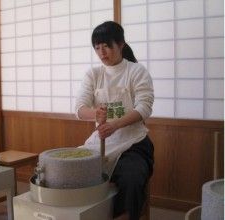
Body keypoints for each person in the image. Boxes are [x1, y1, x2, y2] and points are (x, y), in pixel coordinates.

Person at [75, 21, 154, 220]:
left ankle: (125, 216)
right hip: (101, 141)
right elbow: (79, 108)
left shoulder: (136, 71)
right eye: (97, 47)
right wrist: (95, 114)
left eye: (107, 46)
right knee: (75, 170)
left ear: (120, 44)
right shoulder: (93, 74)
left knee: (132, 177)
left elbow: (144, 108)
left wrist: (115, 125)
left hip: (134, 143)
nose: (102, 52)